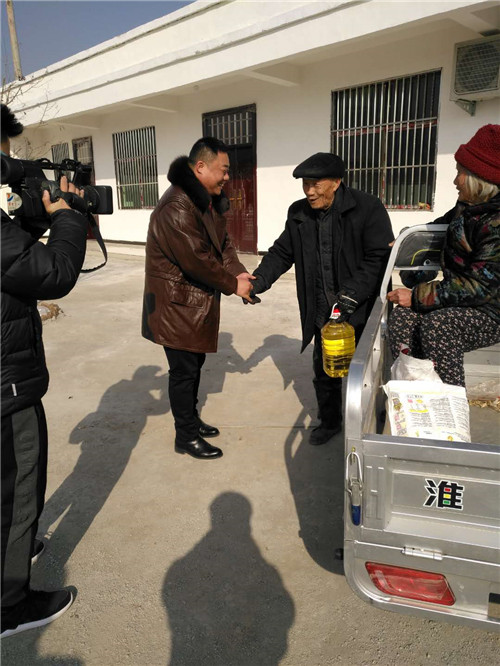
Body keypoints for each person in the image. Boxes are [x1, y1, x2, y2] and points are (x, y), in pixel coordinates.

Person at [1, 104, 89, 637]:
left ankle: (11, 551)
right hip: (6, 385)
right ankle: (9, 604)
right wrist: (69, 218)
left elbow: (13, 259)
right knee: (18, 487)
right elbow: (52, 274)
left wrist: (36, 216)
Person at [250, 152, 394, 445]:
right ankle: (329, 423)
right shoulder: (299, 213)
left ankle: (372, 424)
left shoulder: (367, 208)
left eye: (316, 184)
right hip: (323, 310)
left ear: (336, 182)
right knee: (325, 370)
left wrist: (351, 295)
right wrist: (259, 280)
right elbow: (282, 252)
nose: (310, 191)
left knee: (368, 372)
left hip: (361, 308)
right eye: (306, 184)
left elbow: (378, 258)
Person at [142, 137, 256, 460]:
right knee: (183, 373)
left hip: (191, 304)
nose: (227, 178)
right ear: (201, 167)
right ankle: (186, 436)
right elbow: (197, 259)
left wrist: (240, 273)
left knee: (194, 367)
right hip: (175, 306)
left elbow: (223, 245)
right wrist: (233, 285)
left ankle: (190, 421)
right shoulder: (177, 205)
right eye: (224, 170)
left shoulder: (205, 201)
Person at [387, 124, 500, 387]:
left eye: (460, 173)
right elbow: (441, 226)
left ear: (478, 179)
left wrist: (417, 295)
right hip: (464, 300)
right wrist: (404, 243)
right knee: (402, 318)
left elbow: (482, 287)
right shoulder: (468, 206)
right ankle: (412, 393)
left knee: (439, 325)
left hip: (492, 308)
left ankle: (449, 403)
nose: (455, 181)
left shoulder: (495, 223)